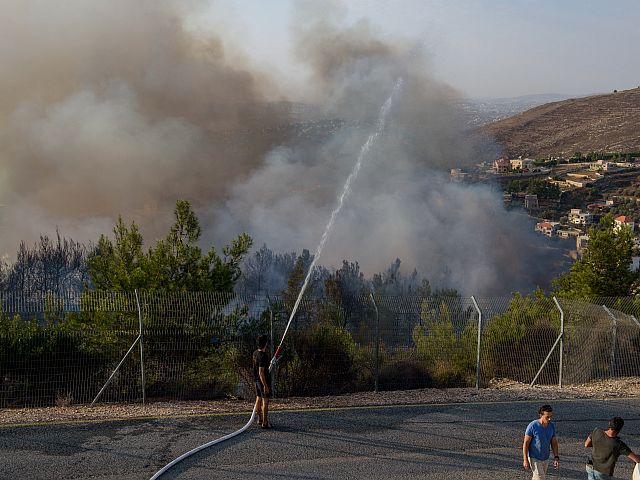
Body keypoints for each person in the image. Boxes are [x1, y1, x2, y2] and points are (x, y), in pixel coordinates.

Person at [523, 404, 560, 479]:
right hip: (534, 458)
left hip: (545, 458)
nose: (549, 419)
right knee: (541, 478)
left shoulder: (552, 426)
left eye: (551, 416)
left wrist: (556, 457)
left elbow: (554, 443)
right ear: (541, 415)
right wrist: (525, 459)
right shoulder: (533, 426)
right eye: (547, 417)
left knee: (537, 478)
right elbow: (526, 444)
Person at [253, 334, 272, 429]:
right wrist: (265, 385)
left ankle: (259, 419)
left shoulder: (255, 353)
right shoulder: (263, 356)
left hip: (256, 380)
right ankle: (265, 422)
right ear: (265, 343)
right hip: (262, 381)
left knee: (258, 399)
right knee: (265, 401)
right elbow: (261, 372)